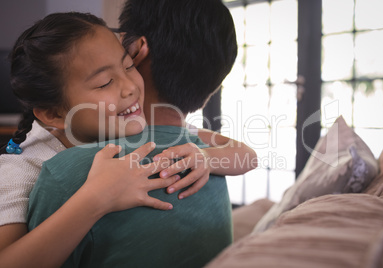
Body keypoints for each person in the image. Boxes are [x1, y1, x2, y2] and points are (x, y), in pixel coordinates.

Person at [28, 0, 243, 267]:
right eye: (105, 81)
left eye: (126, 65)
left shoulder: (64, 176)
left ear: (135, 49)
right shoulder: (212, 171)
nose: (127, 88)